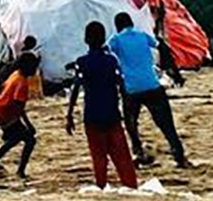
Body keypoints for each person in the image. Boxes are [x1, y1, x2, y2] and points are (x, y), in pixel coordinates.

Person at [108, 13, 193, 169]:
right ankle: (179, 154)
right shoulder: (143, 36)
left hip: (131, 87)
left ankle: (138, 151)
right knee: (166, 123)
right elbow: (162, 47)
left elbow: (105, 51)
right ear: (131, 23)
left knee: (131, 122)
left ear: (118, 26)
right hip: (151, 84)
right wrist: (174, 73)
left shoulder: (116, 40)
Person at [66, 22, 139, 190]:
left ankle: (101, 186)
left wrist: (69, 115)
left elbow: (76, 88)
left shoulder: (82, 62)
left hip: (92, 115)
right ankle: (130, 186)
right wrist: (128, 114)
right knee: (122, 157)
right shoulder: (111, 61)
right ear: (104, 38)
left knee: (98, 157)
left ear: (86, 39)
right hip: (112, 113)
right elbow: (122, 87)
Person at [0, 50, 41, 177]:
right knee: (29, 140)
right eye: (34, 67)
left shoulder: (15, 75)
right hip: (7, 115)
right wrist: (29, 125)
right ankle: (20, 171)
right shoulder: (21, 83)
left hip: (2, 111)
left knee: (14, 139)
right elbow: (19, 107)